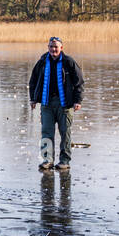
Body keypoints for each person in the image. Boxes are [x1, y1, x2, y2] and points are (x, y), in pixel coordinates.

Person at [28, 36, 83, 172]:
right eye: (51, 47)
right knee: (46, 132)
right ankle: (47, 160)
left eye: (56, 47)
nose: (53, 49)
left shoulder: (69, 62)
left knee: (65, 133)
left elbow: (79, 82)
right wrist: (33, 99)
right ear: (48, 48)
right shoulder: (42, 62)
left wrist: (78, 101)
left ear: (61, 48)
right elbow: (33, 80)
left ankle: (64, 161)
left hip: (65, 104)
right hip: (46, 103)